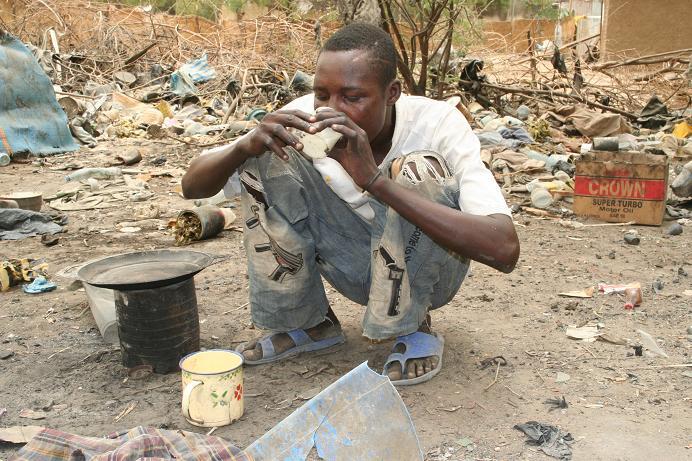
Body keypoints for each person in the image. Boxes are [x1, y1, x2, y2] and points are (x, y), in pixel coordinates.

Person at [182, 22, 519, 385]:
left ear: (392, 93)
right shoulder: (304, 118)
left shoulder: (438, 123)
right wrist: (243, 145)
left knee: (419, 168)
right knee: (267, 152)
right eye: (322, 94)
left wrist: (374, 180)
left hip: (428, 274)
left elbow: (503, 248)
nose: (332, 110)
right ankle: (308, 323)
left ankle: (413, 325)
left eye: (353, 97)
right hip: (352, 265)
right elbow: (193, 187)